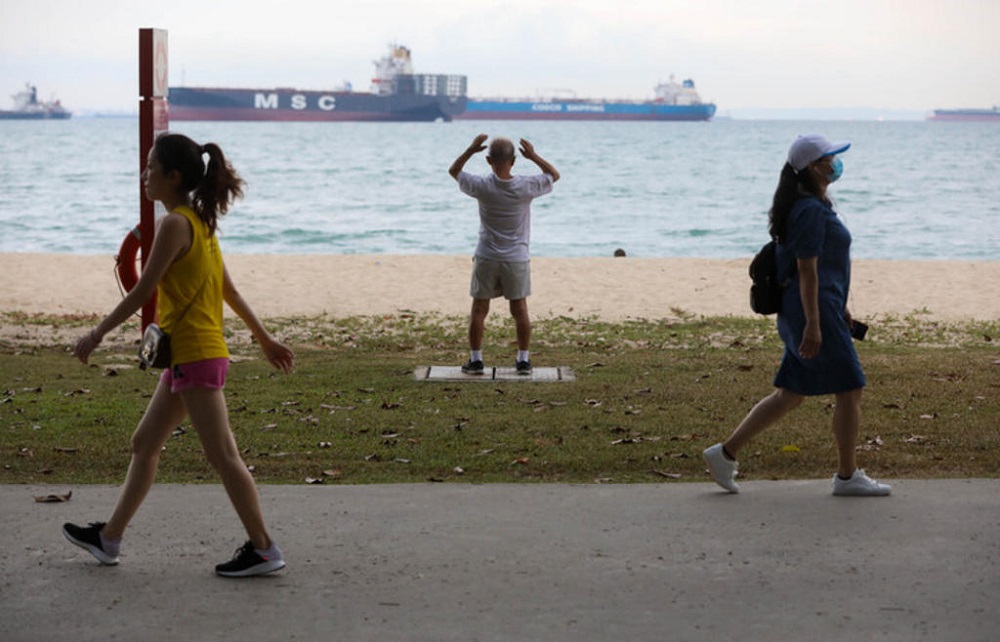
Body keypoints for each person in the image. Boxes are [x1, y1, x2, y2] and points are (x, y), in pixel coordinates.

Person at [63, 132, 295, 576]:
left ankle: (264, 548)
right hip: (189, 358)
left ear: (172, 176)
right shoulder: (199, 221)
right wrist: (263, 339)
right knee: (144, 443)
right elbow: (226, 288)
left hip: (197, 356)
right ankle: (109, 539)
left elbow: (143, 291)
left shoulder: (176, 225)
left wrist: (96, 334)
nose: (144, 174)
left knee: (224, 456)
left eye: (151, 167)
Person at [702, 134, 890, 497]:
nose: (835, 163)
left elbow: (829, 267)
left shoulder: (815, 206)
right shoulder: (808, 211)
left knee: (789, 394)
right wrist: (815, 324)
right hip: (811, 312)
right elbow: (807, 270)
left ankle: (724, 454)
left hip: (819, 308)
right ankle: (848, 477)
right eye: (829, 158)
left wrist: (842, 308)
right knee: (851, 388)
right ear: (811, 167)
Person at [448, 134, 560, 375]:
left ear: (488, 161)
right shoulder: (525, 186)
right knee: (520, 310)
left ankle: (476, 360)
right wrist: (534, 156)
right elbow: (554, 175)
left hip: (486, 255)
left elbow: (454, 171)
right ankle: (522, 360)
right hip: (516, 257)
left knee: (479, 309)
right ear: (514, 161)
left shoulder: (481, 186)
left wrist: (469, 150)